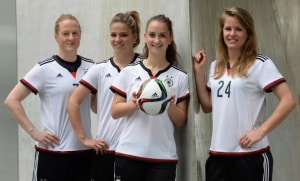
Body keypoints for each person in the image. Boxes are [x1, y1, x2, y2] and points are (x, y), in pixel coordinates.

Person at [193, 7, 296, 181]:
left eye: (238, 29)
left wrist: (261, 131)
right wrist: (199, 72)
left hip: (251, 156)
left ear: (248, 33)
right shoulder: (215, 66)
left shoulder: (260, 64)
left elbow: (289, 100)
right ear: (222, 32)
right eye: (228, 29)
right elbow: (208, 106)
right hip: (218, 156)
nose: (232, 34)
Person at [4, 14, 95, 181]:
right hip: (53, 153)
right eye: (65, 33)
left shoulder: (92, 67)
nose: (71, 38)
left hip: (84, 152)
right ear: (56, 36)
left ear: (80, 36)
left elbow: (96, 106)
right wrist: (34, 132)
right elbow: (11, 100)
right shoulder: (44, 69)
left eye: (75, 33)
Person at [110, 14, 190, 181]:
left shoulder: (180, 76)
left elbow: (181, 120)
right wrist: (135, 104)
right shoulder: (129, 72)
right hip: (129, 153)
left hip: (163, 157)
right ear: (145, 37)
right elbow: (115, 111)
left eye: (162, 35)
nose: (156, 40)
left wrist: (169, 104)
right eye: (152, 35)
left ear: (170, 38)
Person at [67, 11, 142, 181]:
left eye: (123, 35)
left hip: (136, 152)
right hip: (105, 152)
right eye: (113, 35)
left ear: (135, 37)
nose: (117, 39)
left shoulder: (145, 66)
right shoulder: (100, 69)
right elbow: (73, 102)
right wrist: (85, 139)